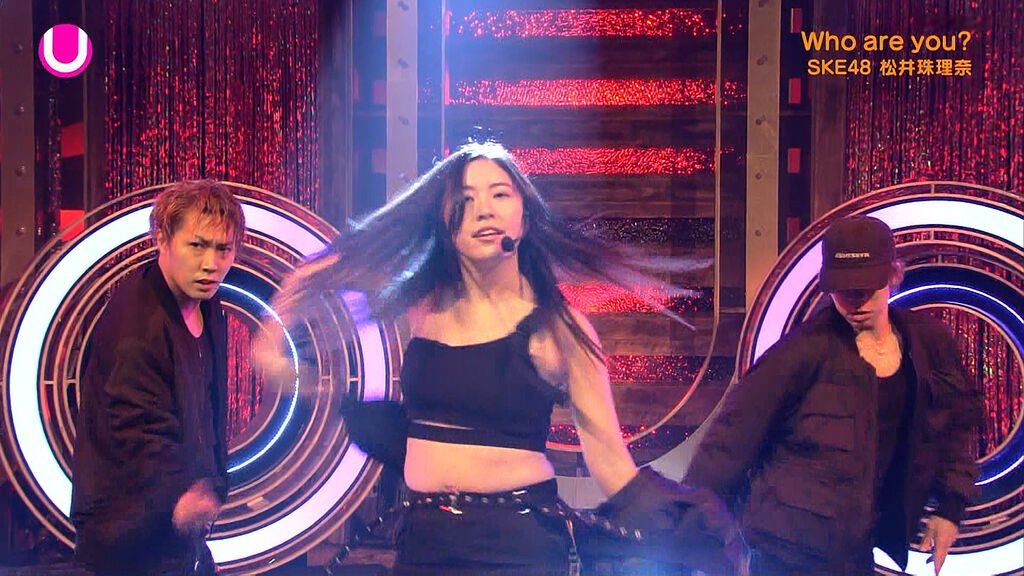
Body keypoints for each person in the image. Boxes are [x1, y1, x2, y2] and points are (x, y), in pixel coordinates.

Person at [267, 142, 742, 576]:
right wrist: (272, 343)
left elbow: (611, 465)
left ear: (525, 219)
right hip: (424, 542)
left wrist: (689, 528)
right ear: (446, 223)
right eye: (466, 199)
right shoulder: (423, 306)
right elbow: (332, 268)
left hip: (517, 548)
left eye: (499, 194)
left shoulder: (559, 329)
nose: (484, 210)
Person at [683, 215, 982, 575]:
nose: (855, 301)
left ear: (893, 275)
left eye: (866, 287)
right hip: (787, 551)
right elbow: (728, 445)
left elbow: (955, 426)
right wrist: (687, 541)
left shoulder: (928, 344)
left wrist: (950, 508)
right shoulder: (800, 353)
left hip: (857, 548)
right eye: (844, 289)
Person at [71, 180, 245, 575]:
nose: (211, 263)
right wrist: (185, 492)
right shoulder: (136, 327)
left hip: (176, 529)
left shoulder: (206, 300)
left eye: (223, 249)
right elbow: (137, 427)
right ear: (162, 239)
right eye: (197, 245)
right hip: (130, 536)